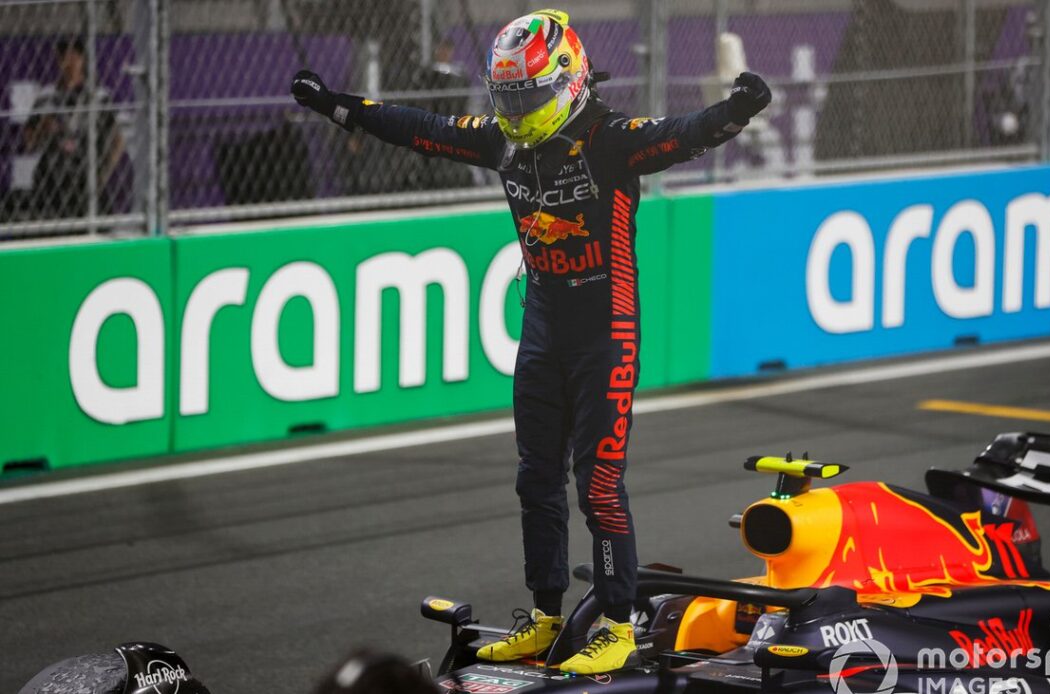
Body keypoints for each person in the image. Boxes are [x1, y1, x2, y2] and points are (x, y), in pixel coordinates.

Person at [291, 8, 769, 675]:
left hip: (607, 334)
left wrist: (734, 111)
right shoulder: (500, 141)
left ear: (568, 79)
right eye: (508, 96)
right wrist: (339, 108)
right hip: (542, 329)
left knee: (598, 486)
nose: (516, 109)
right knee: (534, 480)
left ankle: (618, 626)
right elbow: (421, 129)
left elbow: (681, 135)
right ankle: (546, 620)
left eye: (528, 95)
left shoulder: (612, 138)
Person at [21, 37, 126, 219]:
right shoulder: (46, 96)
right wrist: (43, 129)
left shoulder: (98, 97)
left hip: (85, 177)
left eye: (74, 56)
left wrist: (102, 175)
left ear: (82, 59)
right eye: (63, 57)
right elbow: (29, 143)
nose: (69, 62)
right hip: (51, 179)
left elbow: (118, 139)